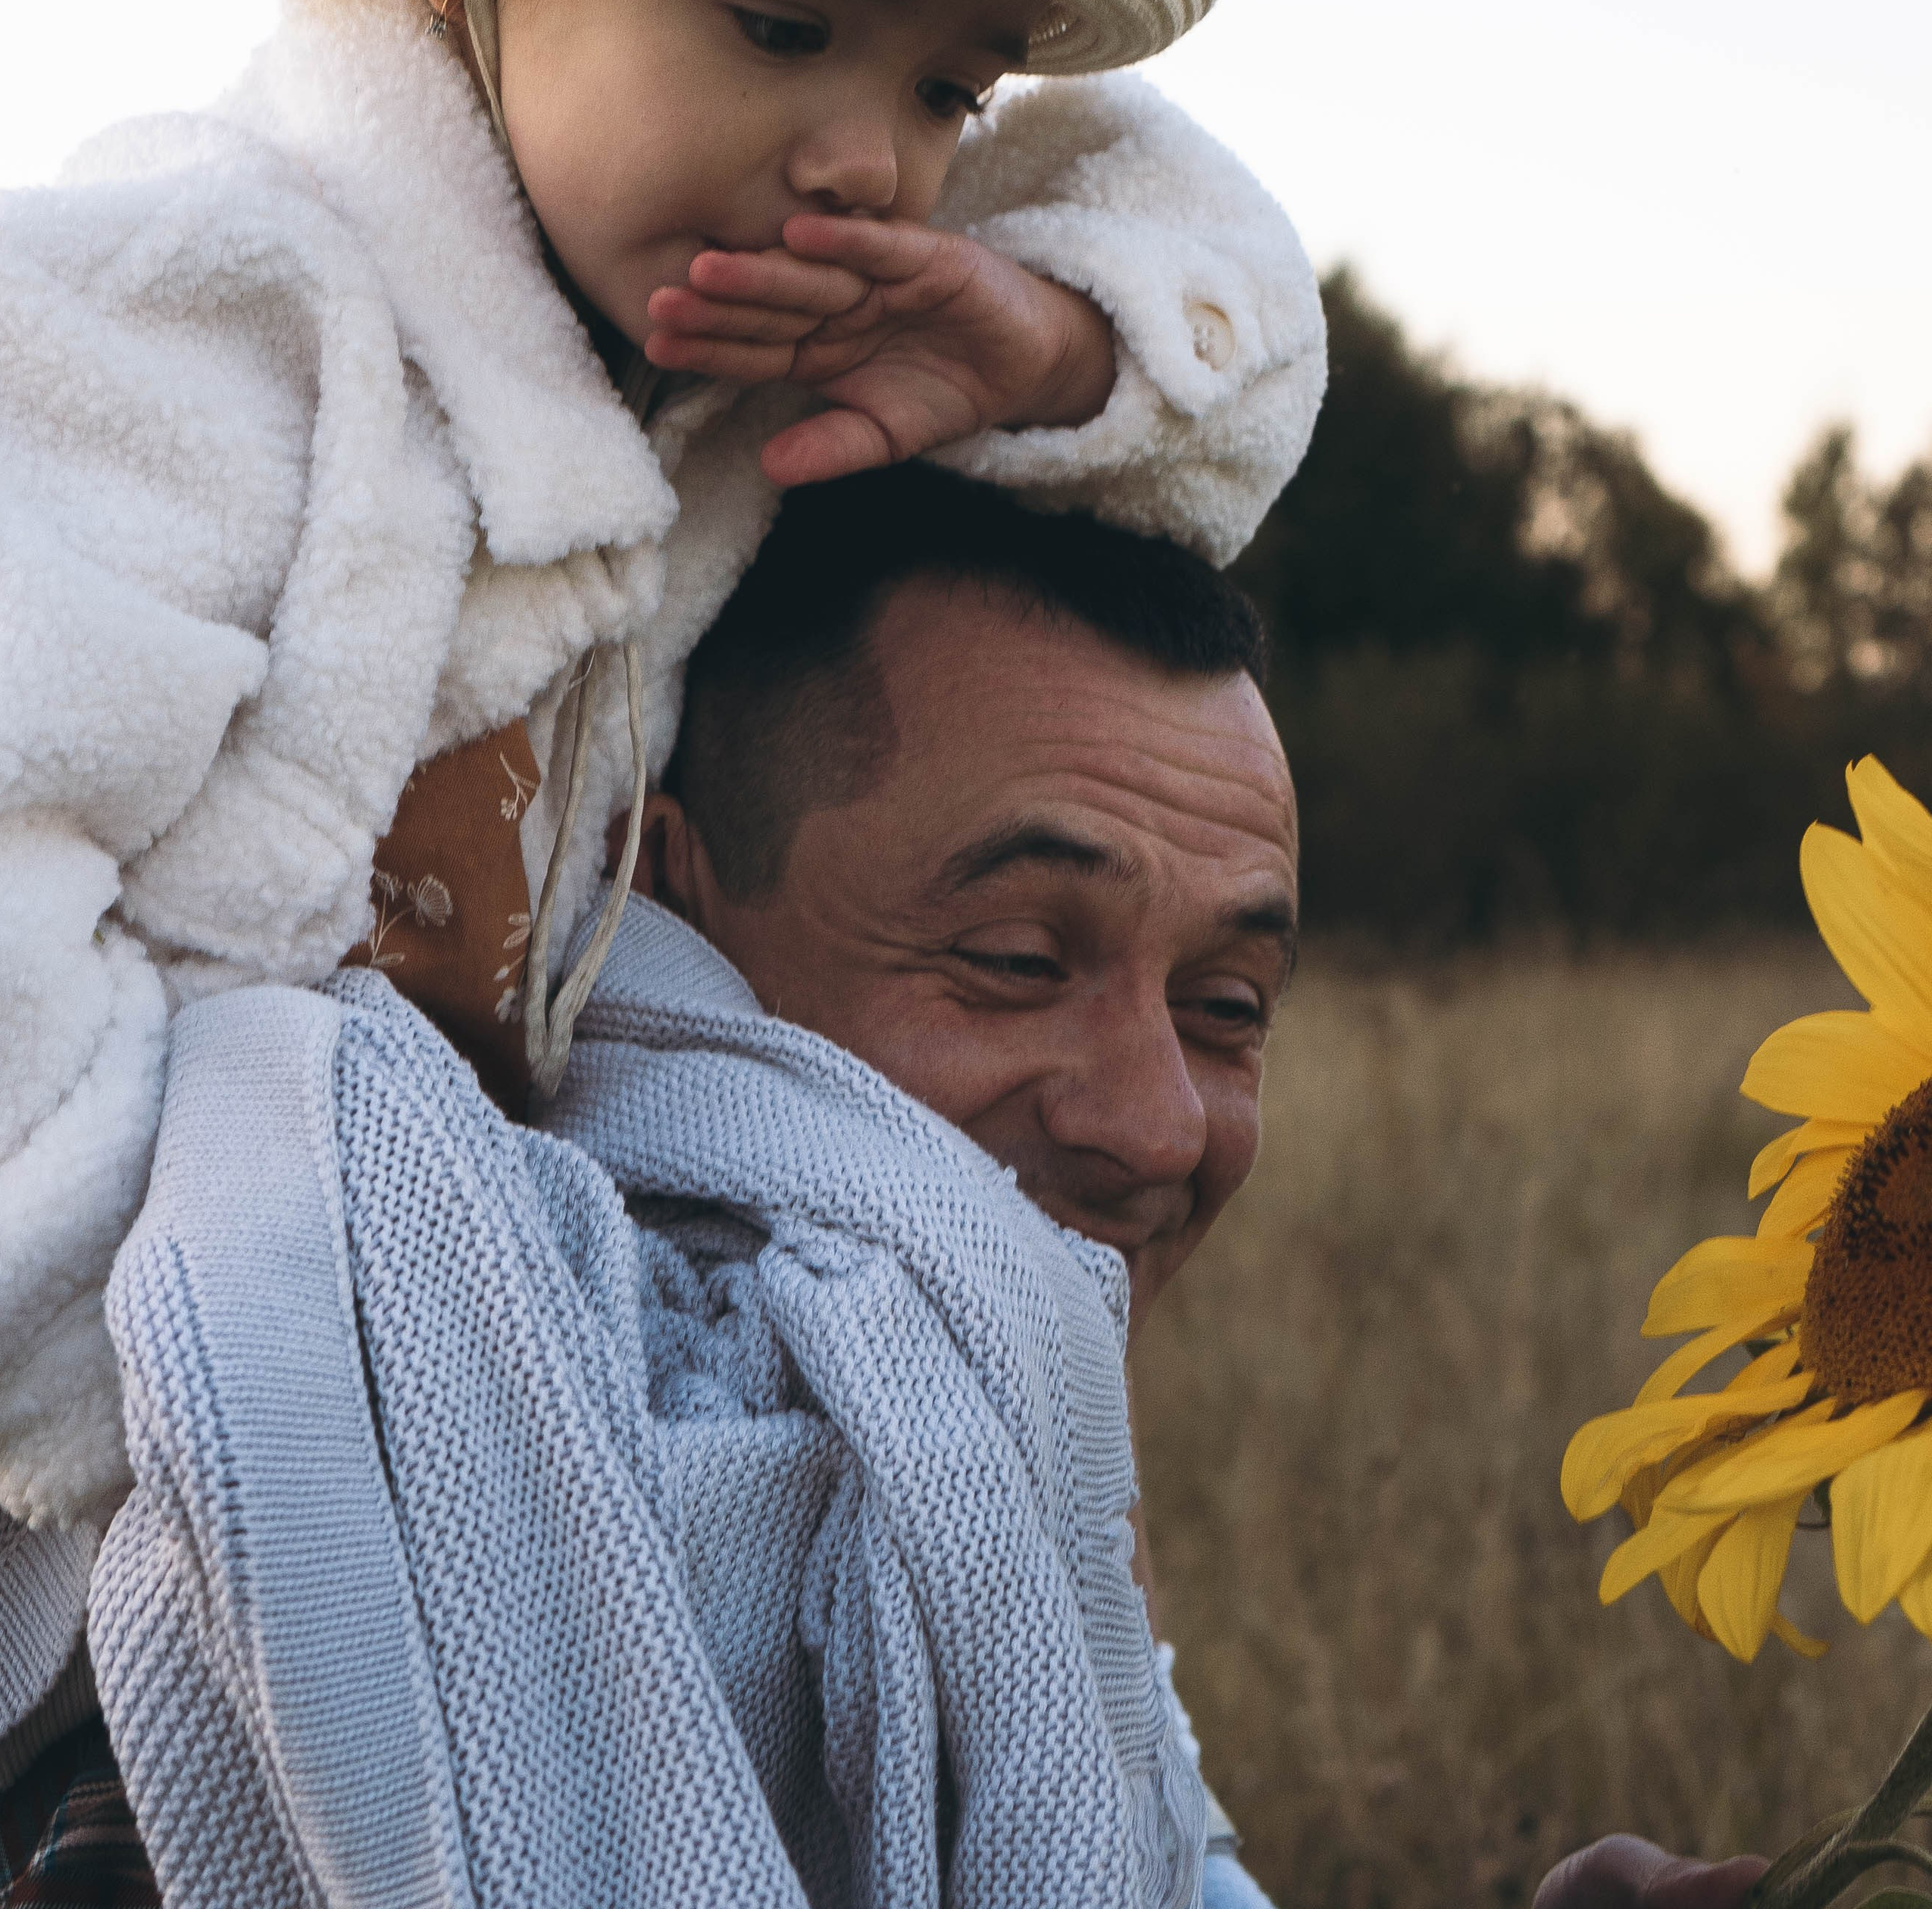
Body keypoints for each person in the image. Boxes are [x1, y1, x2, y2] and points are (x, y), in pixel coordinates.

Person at [0, 0, 1328, 1618]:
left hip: (380, 1467)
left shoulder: (712, 390)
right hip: (115, 1486)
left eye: (942, 85)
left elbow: (1212, 329)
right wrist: (140, 1403)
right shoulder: (215, 323)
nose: (870, 164)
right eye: (784, 21)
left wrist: (1053, 347)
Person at [82, 468, 1299, 1905]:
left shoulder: (1009, 1547)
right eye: (1021, 962)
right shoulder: (280, 1564)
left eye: (1226, 1005)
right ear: (660, 905)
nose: (1159, 1127)